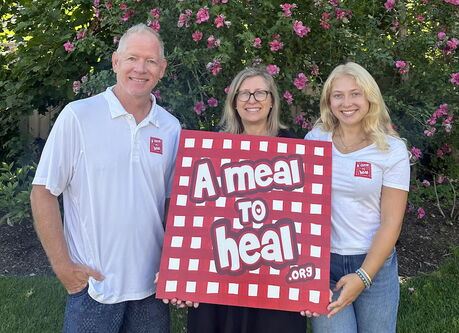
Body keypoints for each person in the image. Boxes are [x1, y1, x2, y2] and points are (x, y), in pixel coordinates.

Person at [30, 23, 180, 332]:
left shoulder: (170, 127)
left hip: (152, 288)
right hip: (94, 287)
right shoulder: (79, 116)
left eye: (151, 61)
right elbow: (43, 192)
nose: (141, 68)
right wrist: (64, 268)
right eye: (132, 58)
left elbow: (171, 204)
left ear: (162, 69)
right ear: (115, 62)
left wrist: (174, 265)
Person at [186, 66, 307, 333]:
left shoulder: (295, 149)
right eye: (244, 94)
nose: (252, 100)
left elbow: (307, 223)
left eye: (260, 93)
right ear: (234, 102)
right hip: (221, 272)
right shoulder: (213, 148)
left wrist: (307, 284)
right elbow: (197, 220)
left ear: (272, 100)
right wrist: (187, 278)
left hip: (276, 277)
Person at [303, 62, 410, 332]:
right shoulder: (315, 140)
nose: (346, 102)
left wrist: (364, 276)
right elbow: (299, 209)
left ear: (369, 98)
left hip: (375, 264)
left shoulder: (391, 149)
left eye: (355, 93)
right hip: (323, 264)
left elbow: (391, 222)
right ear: (329, 100)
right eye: (338, 95)